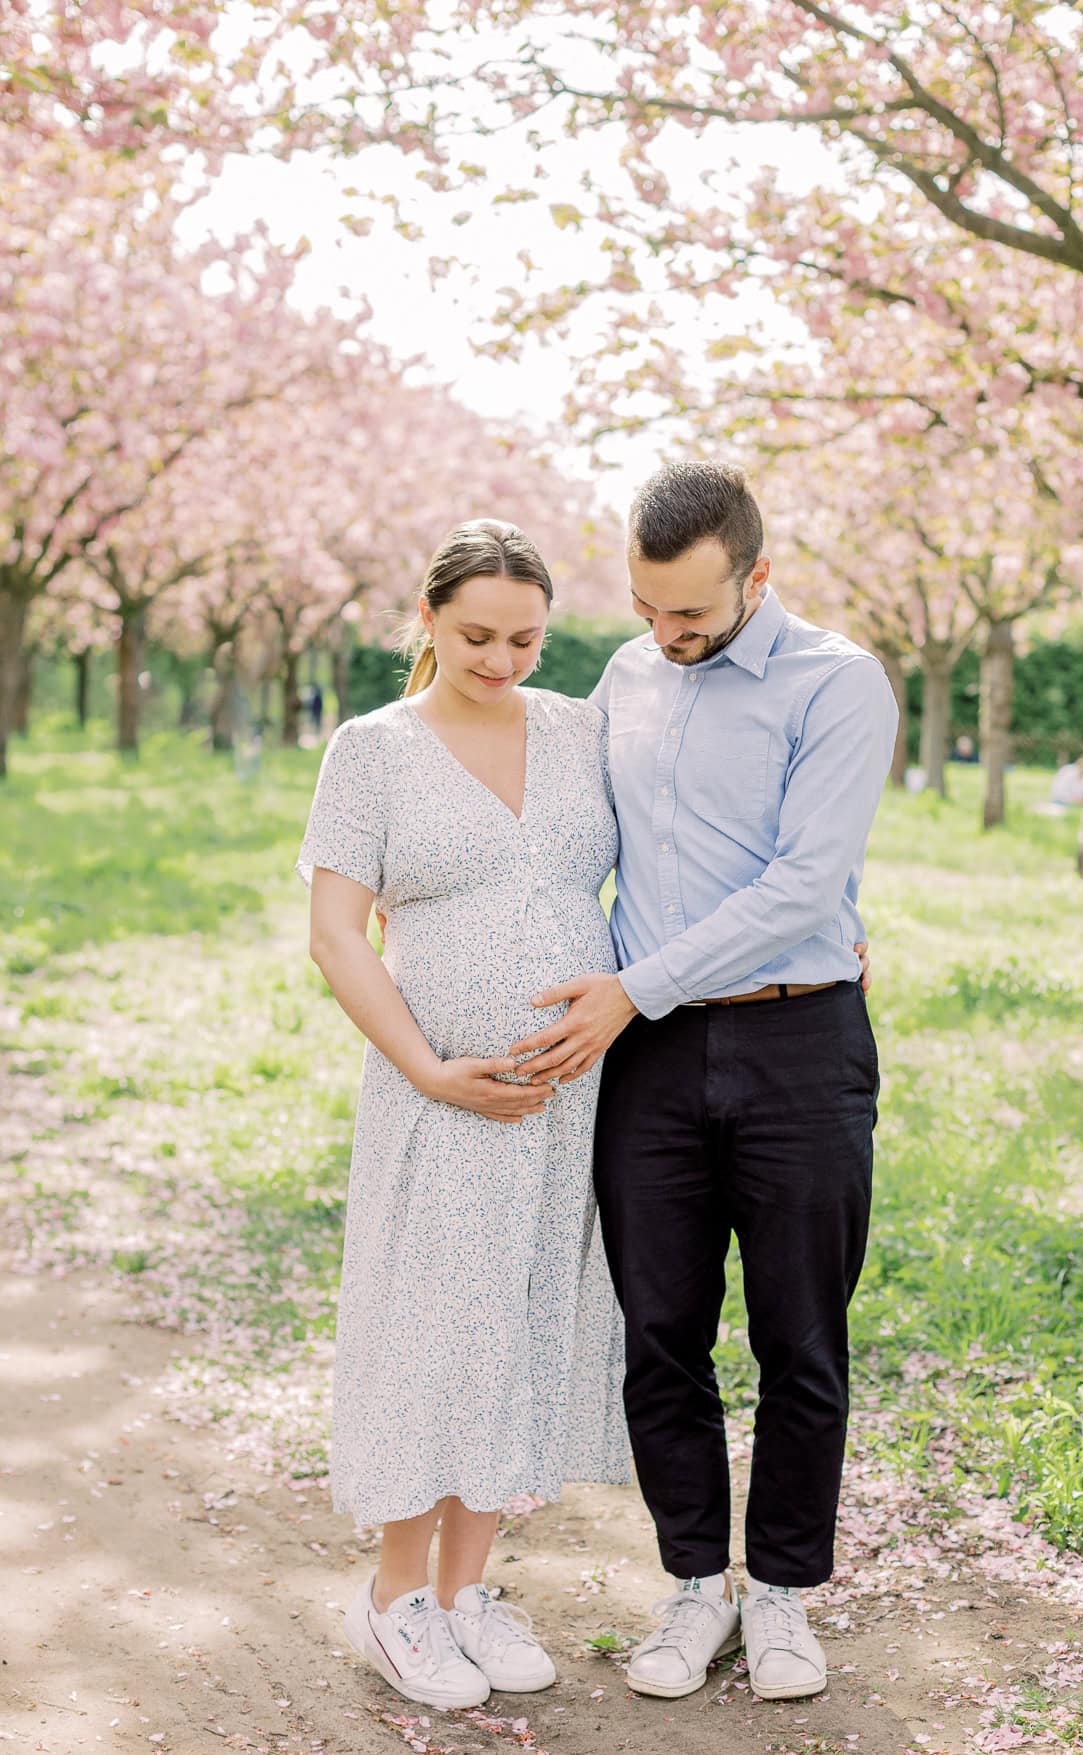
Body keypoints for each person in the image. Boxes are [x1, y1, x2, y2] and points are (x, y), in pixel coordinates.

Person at [507, 463, 898, 1705]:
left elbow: (800, 881)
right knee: (660, 1332)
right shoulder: (628, 676)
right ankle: (693, 1587)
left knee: (800, 1333)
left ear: (757, 578)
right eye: (645, 609)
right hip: (654, 1058)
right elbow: (574, 836)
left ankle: (779, 1595)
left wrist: (636, 983)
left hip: (799, 1041)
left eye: (691, 615)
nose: (665, 637)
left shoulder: (839, 684)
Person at [296, 520, 630, 1711]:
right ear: (428, 621)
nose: (501, 659)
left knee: (523, 1326)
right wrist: (432, 1068)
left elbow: (677, 856)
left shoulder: (584, 729)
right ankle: (395, 1599)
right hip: (438, 1095)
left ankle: (468, 1589)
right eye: (476, 635)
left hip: (572, 1095)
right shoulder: (373, 750)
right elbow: (338, 935)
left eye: (527, 637)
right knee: (434, 1330)